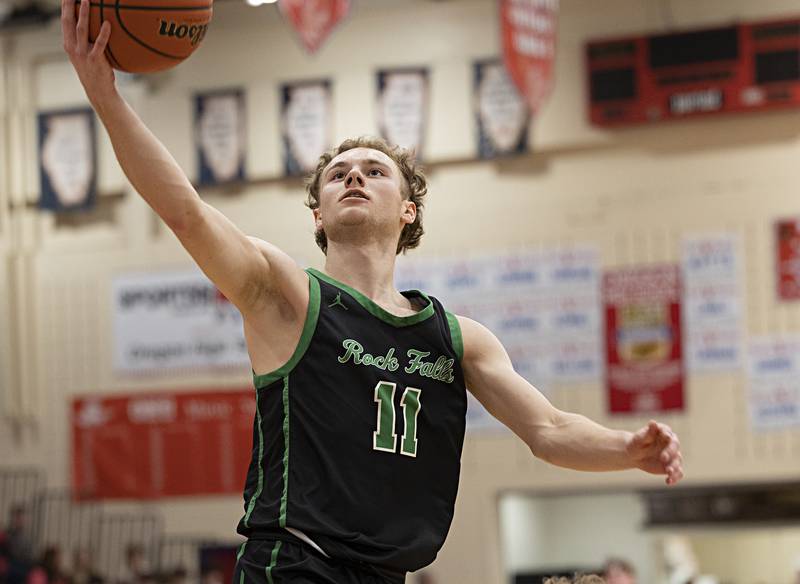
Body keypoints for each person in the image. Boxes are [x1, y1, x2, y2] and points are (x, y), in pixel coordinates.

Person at [61, 2, 685, 583]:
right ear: (317, 216)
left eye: (373, 170)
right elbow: (188, 215)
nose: (353, 176)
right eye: (336, 175)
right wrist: (106, 97)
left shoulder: (457, 338)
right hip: (294, 563)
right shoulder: (287, 296)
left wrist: (626, 449)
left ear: (409, 211)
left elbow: (548, 429)